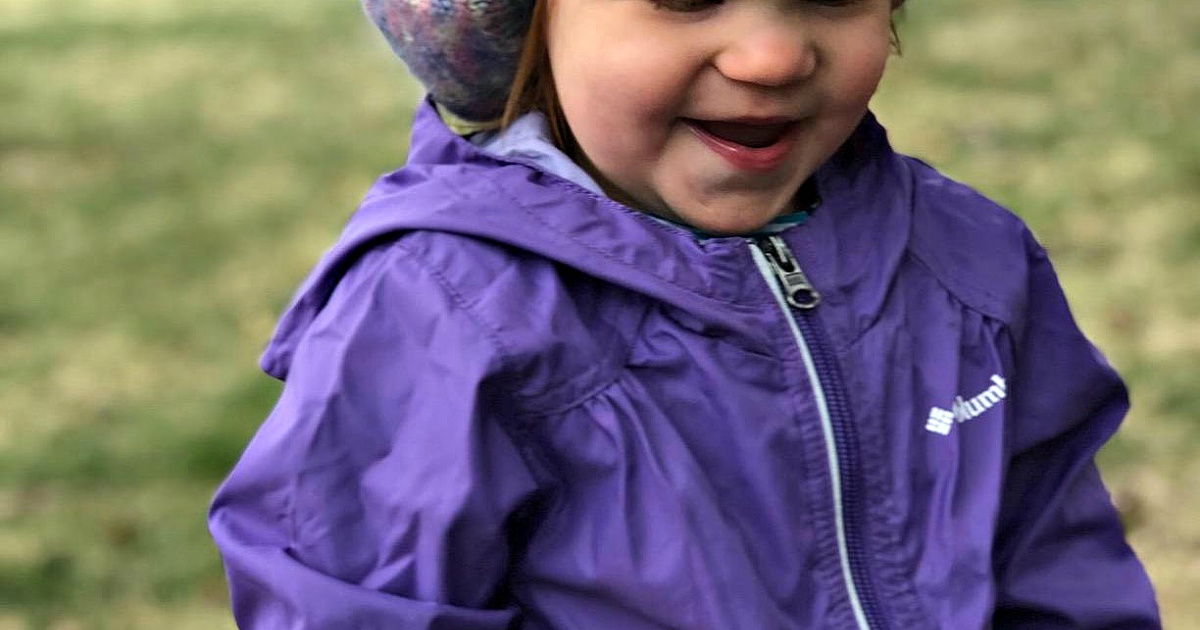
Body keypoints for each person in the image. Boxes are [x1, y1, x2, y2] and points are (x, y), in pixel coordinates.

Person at [208, 0, 1162, 627]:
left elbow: (1057, 567)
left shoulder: (966, 264)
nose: (774, 52)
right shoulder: (440, 315)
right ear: (529, 23)